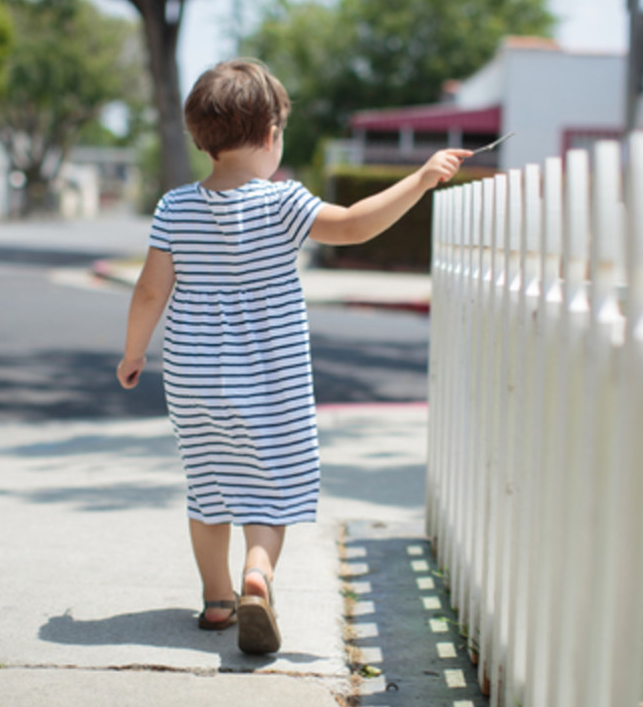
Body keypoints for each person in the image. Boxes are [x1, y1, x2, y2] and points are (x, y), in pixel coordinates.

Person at [116, 58, 471, 655]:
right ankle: (259, 573)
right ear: (269, 136)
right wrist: (421, 178)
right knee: (270, 484)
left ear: (203, 139)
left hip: (192, 376)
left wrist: (132, 354)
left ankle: (217, 599)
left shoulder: (175, 207)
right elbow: (356, 225)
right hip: (268, 379)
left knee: (207, 486)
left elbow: (151, 289)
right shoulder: (282, 203)